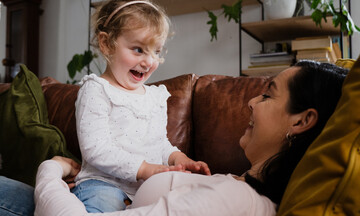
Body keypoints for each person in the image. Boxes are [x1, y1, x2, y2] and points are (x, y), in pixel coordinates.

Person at [34, 60, 349, 216]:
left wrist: (51, 170)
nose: (252, 102)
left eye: (267, 95)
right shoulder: (238, 187)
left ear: (302, 120)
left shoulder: (236, 201)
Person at [72, 0, 210, 213]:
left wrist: (180, 159)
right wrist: (145, 169)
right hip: (104, 184)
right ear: (106, 44)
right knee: (104, 204)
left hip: (149, 187)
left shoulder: (155, 97)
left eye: (156, 51)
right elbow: (96, 149)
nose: (149, 61)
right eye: (138, 49)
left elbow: (160, 144)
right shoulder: (96, 90)